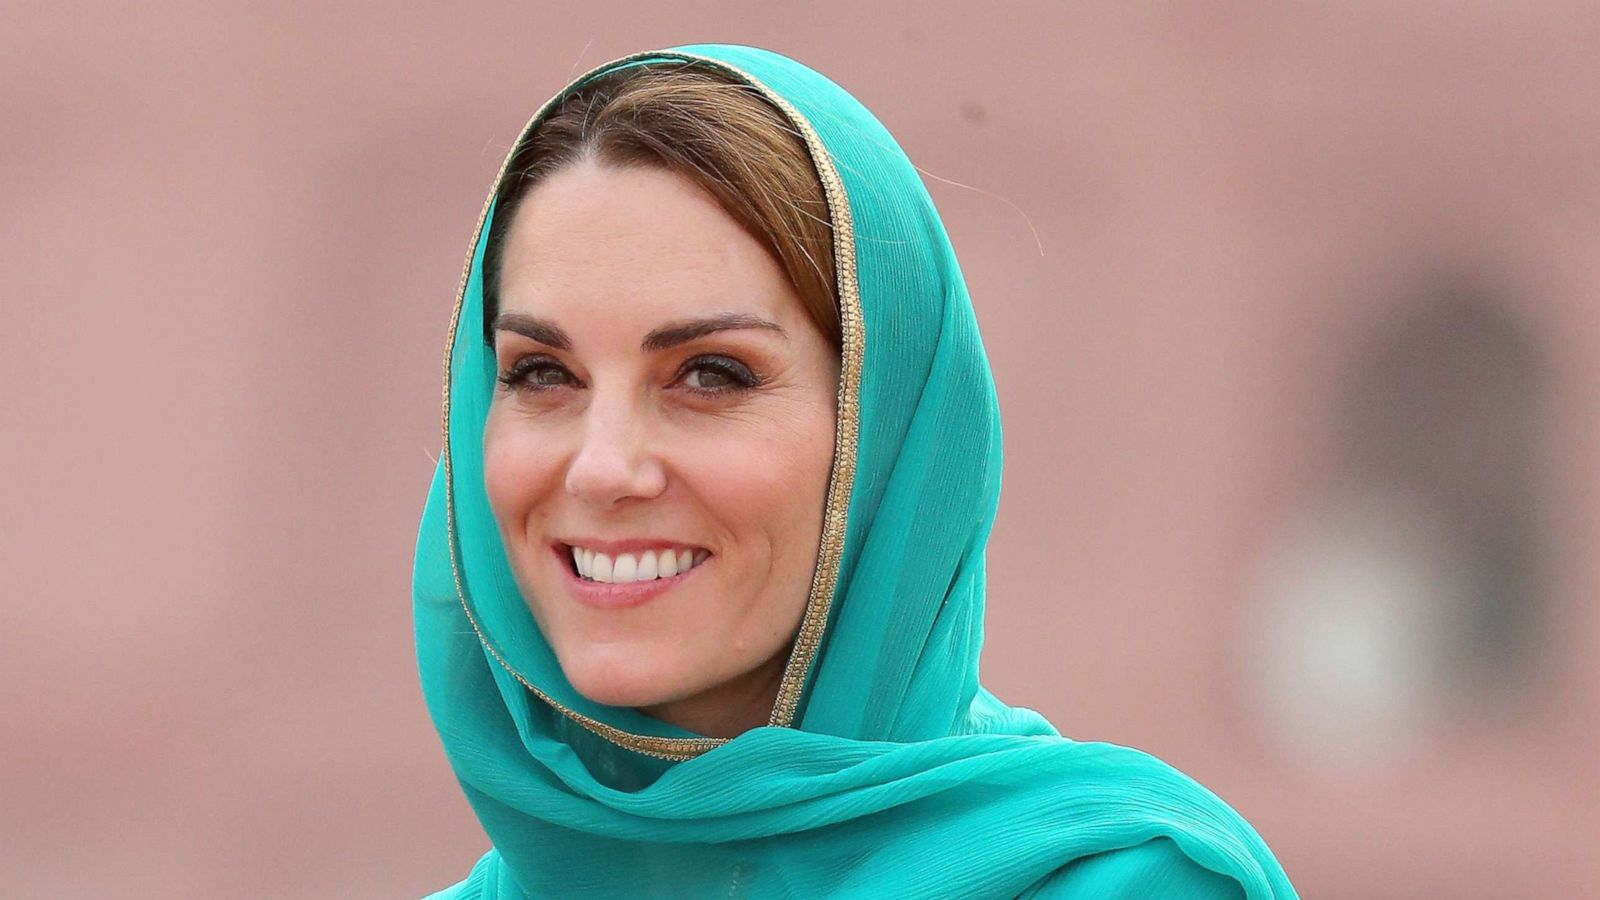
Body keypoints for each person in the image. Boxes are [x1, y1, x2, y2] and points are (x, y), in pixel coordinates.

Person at [414, 44, 1298, 898]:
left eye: (710, 375)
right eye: (542, 373)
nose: (603, 468)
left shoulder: (1117, 884)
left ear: (886, 436)